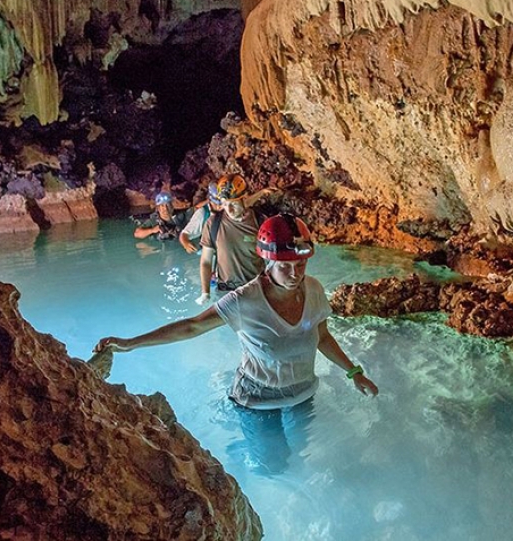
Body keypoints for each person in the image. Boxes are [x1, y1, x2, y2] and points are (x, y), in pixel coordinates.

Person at [94, 214, 378, 472]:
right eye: (285, 266)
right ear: (268, 262)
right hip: (257, 400)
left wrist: (354, 372)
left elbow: (323, 336)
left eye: (301, 264)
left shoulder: (313, 289)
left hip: (303, 393)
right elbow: (192, 326)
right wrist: (131, 343)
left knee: (300, 452)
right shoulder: (245, 301)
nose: (295, 274)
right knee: (273, 466)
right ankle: (241, 452)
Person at [194, 174, 264, 304]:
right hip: (226, 291)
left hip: (256, 290)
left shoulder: (260, 222)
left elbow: (273, 261)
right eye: (225, 204)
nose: (229, 209)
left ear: (245, 198)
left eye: (234, 204)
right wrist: (205, 292)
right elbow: (206, 261)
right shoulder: (213, 223)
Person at [179, 182, 222, 254]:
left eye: (221, 203)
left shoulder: (229, 208)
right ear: (210, 201)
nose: (219, 207)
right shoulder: (203, 213)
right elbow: (184, 234)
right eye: (216, 203)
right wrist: (186, 243)